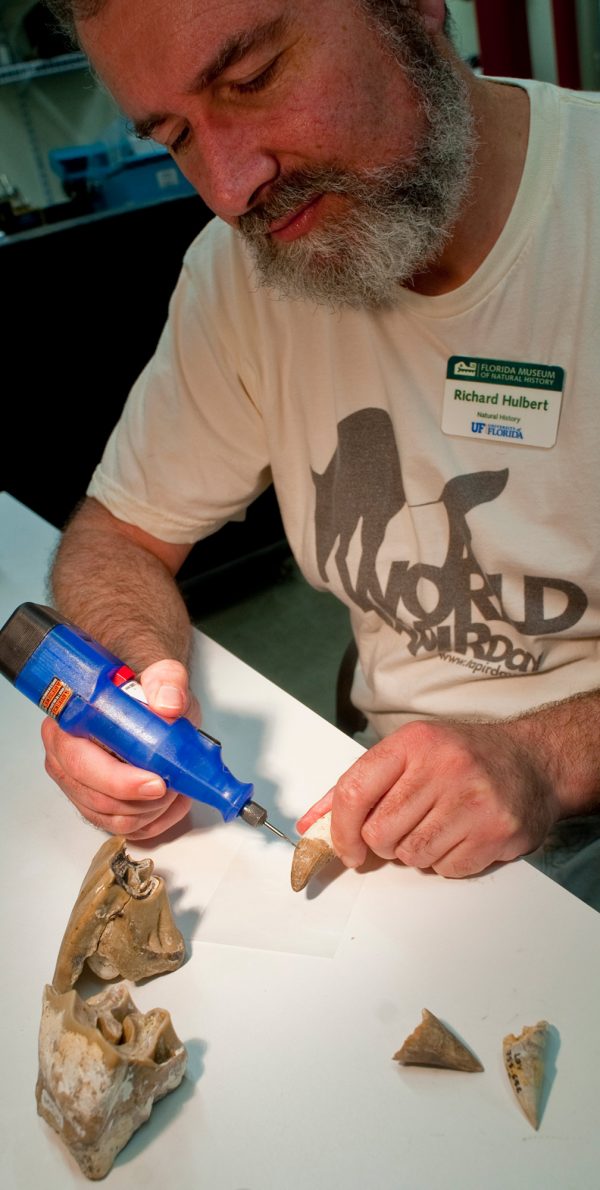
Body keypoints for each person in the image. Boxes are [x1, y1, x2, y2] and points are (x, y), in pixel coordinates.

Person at [42, 0, 600, 887]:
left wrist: (546, 756)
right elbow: (116, 539)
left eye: (252, 80)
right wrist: (130, 697)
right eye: (176, 135)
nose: (228, 189)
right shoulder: (237, 276)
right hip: (394, 809)